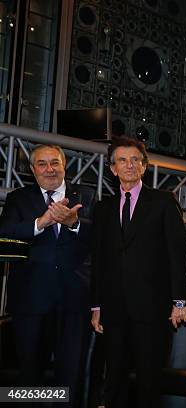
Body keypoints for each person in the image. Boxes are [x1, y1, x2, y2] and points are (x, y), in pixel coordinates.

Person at [90, 136, 186, 408]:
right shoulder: (102, 209)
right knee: (114, 383)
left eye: (135, 159)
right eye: (122, 160)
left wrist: (179, 301)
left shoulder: (164, 202)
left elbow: (177, 254)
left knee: (148, 384)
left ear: (144, 166)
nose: (129, 165)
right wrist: (96, 306)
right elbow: (98, 260)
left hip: (153, 311)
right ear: (112, 168)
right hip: (114, 311)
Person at [0, 144, 96, 407]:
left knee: (70, 377)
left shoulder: (87, 196)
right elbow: (4, 233)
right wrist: (39, 224)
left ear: (65, 165)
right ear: (32, 170)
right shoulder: (18, 198)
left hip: (74, 301)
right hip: (30, 301)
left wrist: (73, 223)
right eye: (42, 164)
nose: (49, 169)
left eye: (54, 162)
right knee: (29, 377)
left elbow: (100, 242)